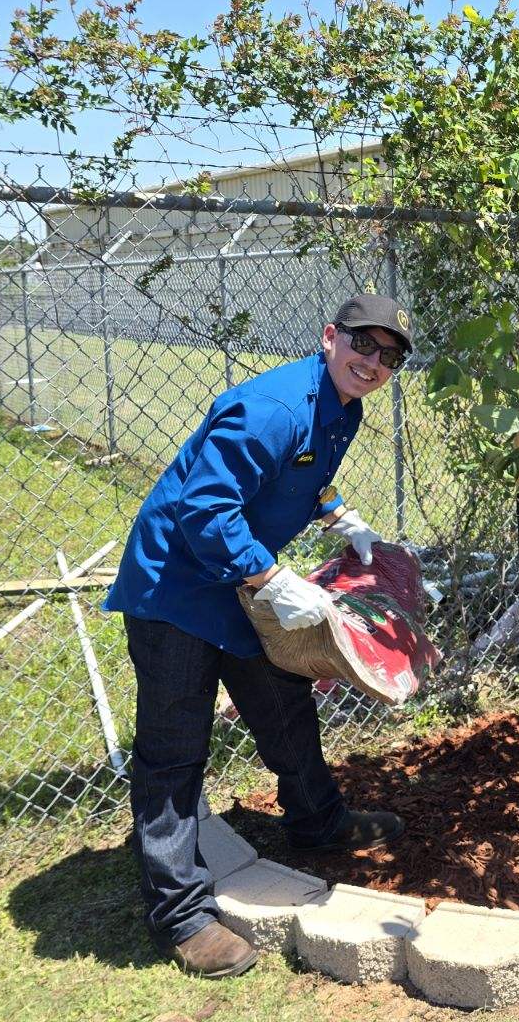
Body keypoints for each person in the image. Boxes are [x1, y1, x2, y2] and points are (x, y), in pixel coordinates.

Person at [104, 293, 415, 978]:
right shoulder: (272, 408)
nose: (373, 362)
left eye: (389, 356)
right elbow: (204, 508)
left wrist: (343, 519)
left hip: (239, 586)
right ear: (330, 336)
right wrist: (271, 577)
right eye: (363, 344)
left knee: (282, 699)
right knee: (174, 749)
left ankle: (317, 822)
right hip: (177, 589)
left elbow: (307, 476)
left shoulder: (344, 408)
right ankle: (181, 912)